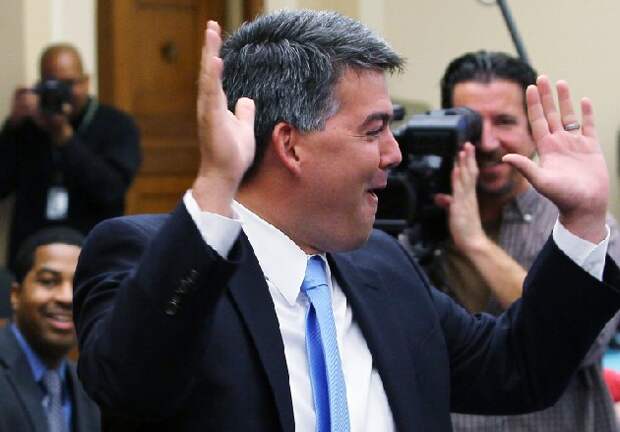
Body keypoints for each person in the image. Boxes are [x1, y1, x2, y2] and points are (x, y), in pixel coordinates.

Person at [73, 10, 620, 431]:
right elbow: (130, 388)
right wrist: (216, 184)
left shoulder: (382, 265)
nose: (395, 154)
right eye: (373, 130)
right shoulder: (149, 255)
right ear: (290, 144)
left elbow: (516, 369)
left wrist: (583, 219)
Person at [402, 51, 620, 431]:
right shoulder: (411, 216)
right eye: (470, 122)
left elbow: (587, 345)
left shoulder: (579, 221)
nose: (487, 141)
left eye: (504, 122)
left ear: (534, 128)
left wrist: (475, 243)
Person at [0, 43, 141, 273]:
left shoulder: (117, 125)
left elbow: (111, 189)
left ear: (86, 81)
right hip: (30, 256)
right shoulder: (27, 126)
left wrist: (64, 136)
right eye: (52, 84)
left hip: (96, 253)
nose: (60, 93)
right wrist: (11, 128)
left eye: (68, 84)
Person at [0, 227, 100, 432]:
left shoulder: (90, 387)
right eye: (48, 281)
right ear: (15, 295)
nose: (66, 297)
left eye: (78, 284)